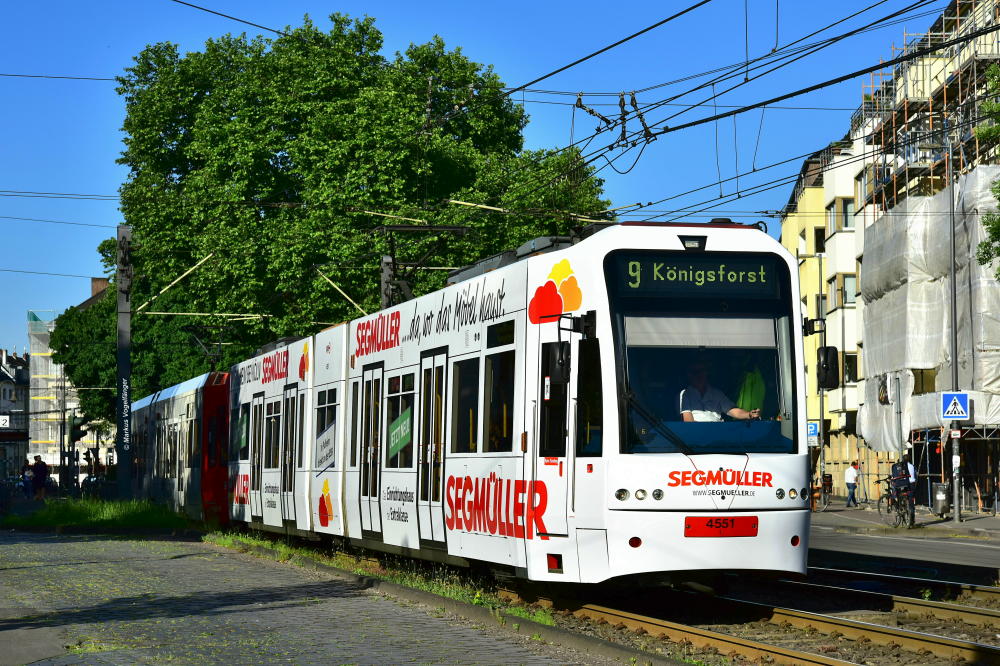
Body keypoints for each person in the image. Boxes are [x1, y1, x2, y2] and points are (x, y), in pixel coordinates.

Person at [679, 360, 760, 422]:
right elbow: (688, 422)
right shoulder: (685, 394)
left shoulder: (717, 393)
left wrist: (749, 414)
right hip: (696, 436)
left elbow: (731, 410)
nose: (699, 375)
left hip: (719, 434)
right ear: (688, 375)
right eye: (694, 372)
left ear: (706, 373)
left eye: (702, 371)